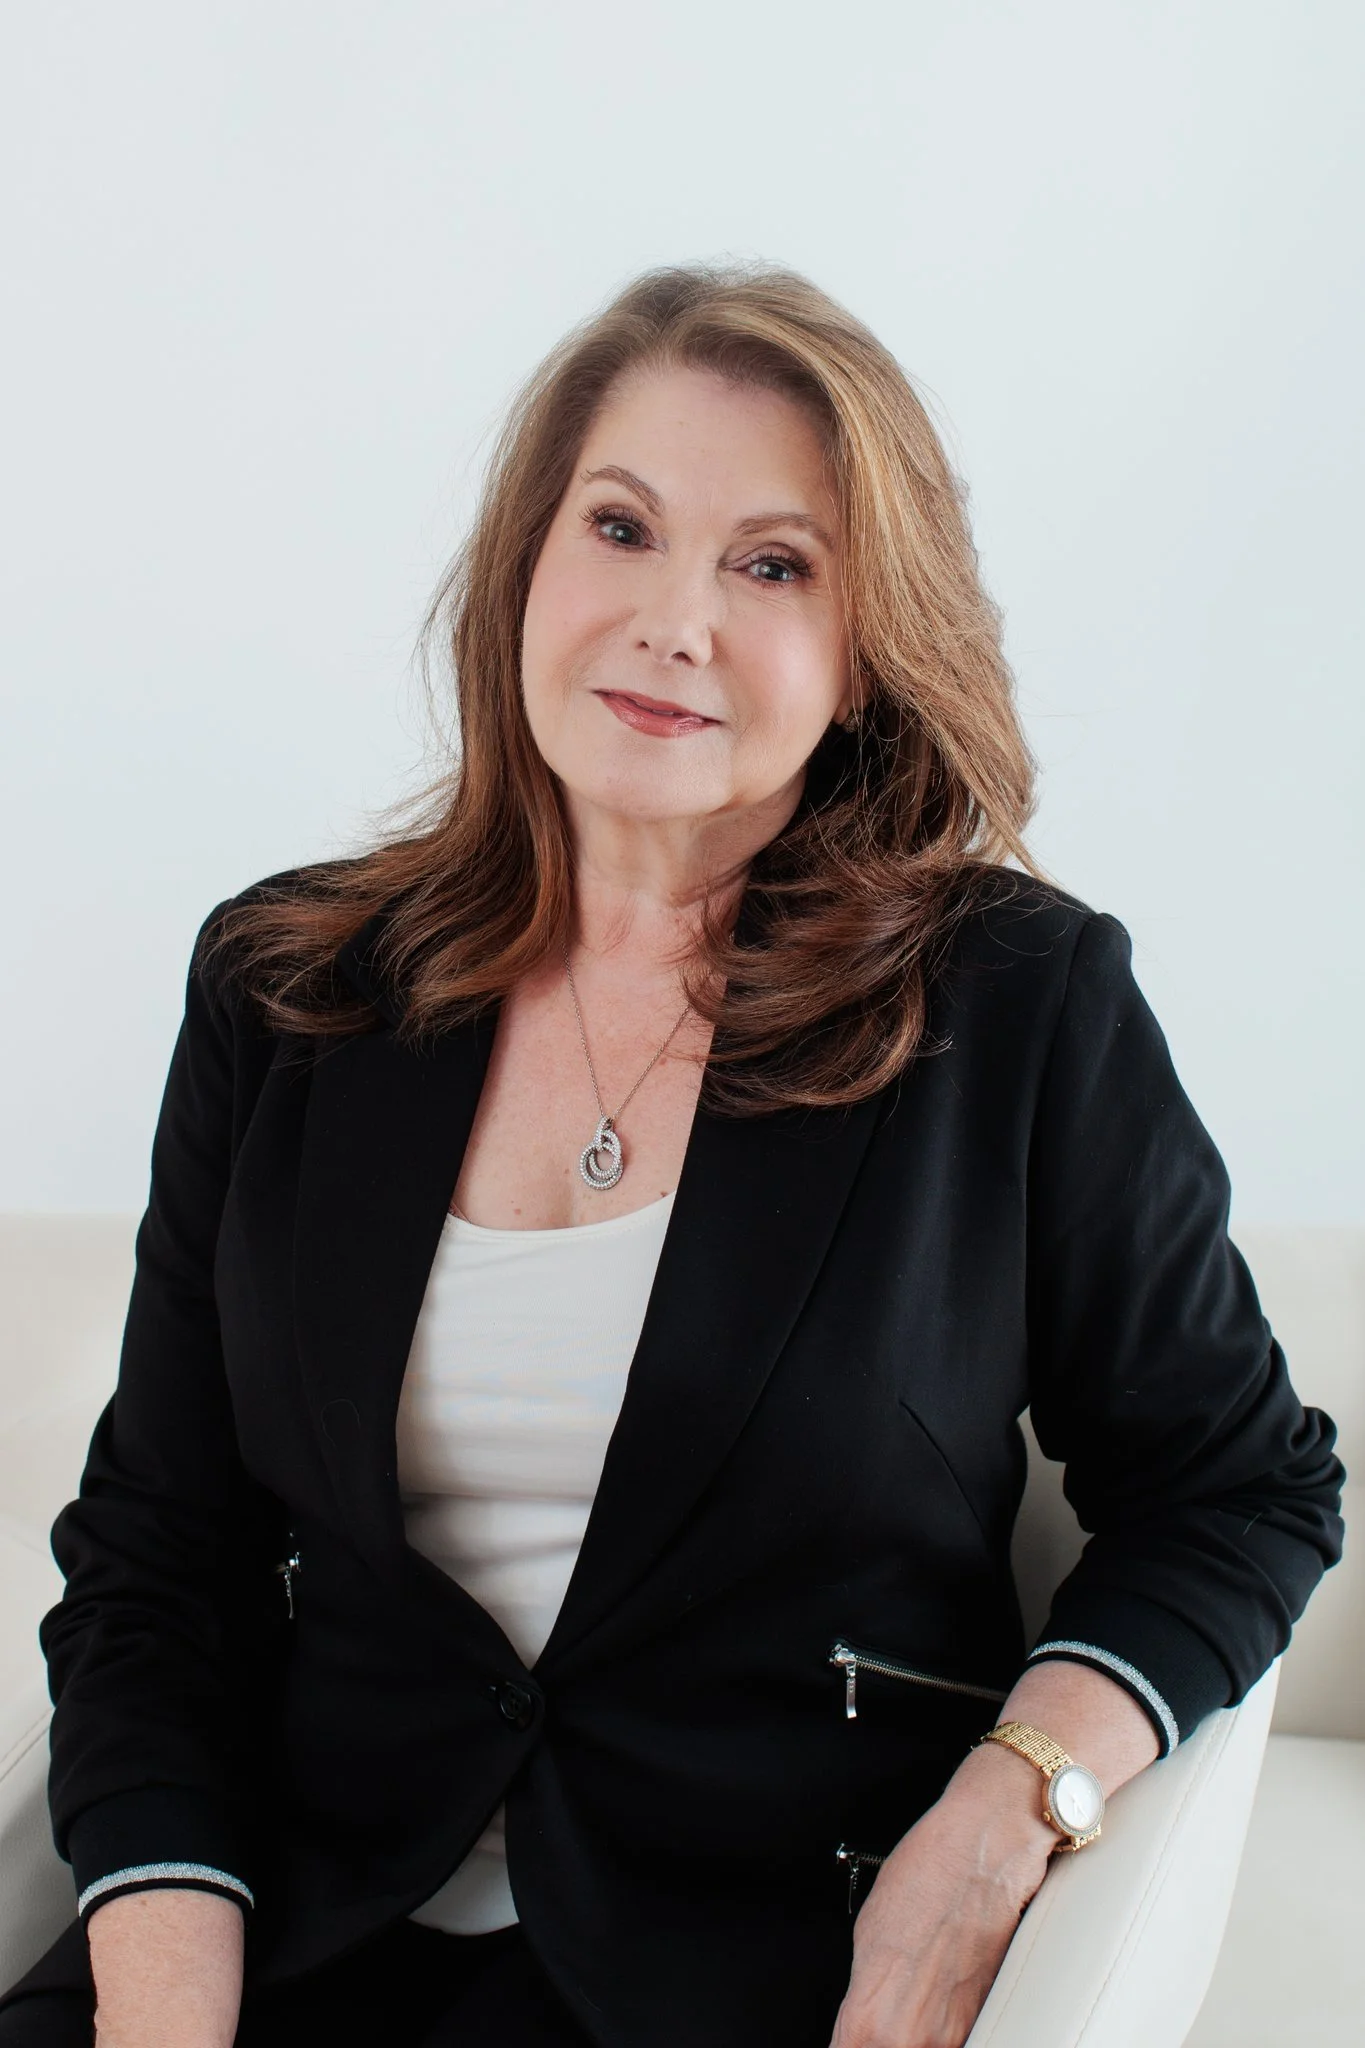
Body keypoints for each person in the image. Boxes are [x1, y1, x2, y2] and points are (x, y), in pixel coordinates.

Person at [0, 260, 1345, 2048]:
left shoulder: (1019, 1005)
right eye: (620, 527)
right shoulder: (289, 987)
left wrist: (1012, 1807)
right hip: (299, 1947)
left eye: (772, 563)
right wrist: (164, 2001)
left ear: (866, 654)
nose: (675, 619)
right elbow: (162, 1552)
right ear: (525, 570)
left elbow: (1240, 1489)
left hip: (763, 1976)